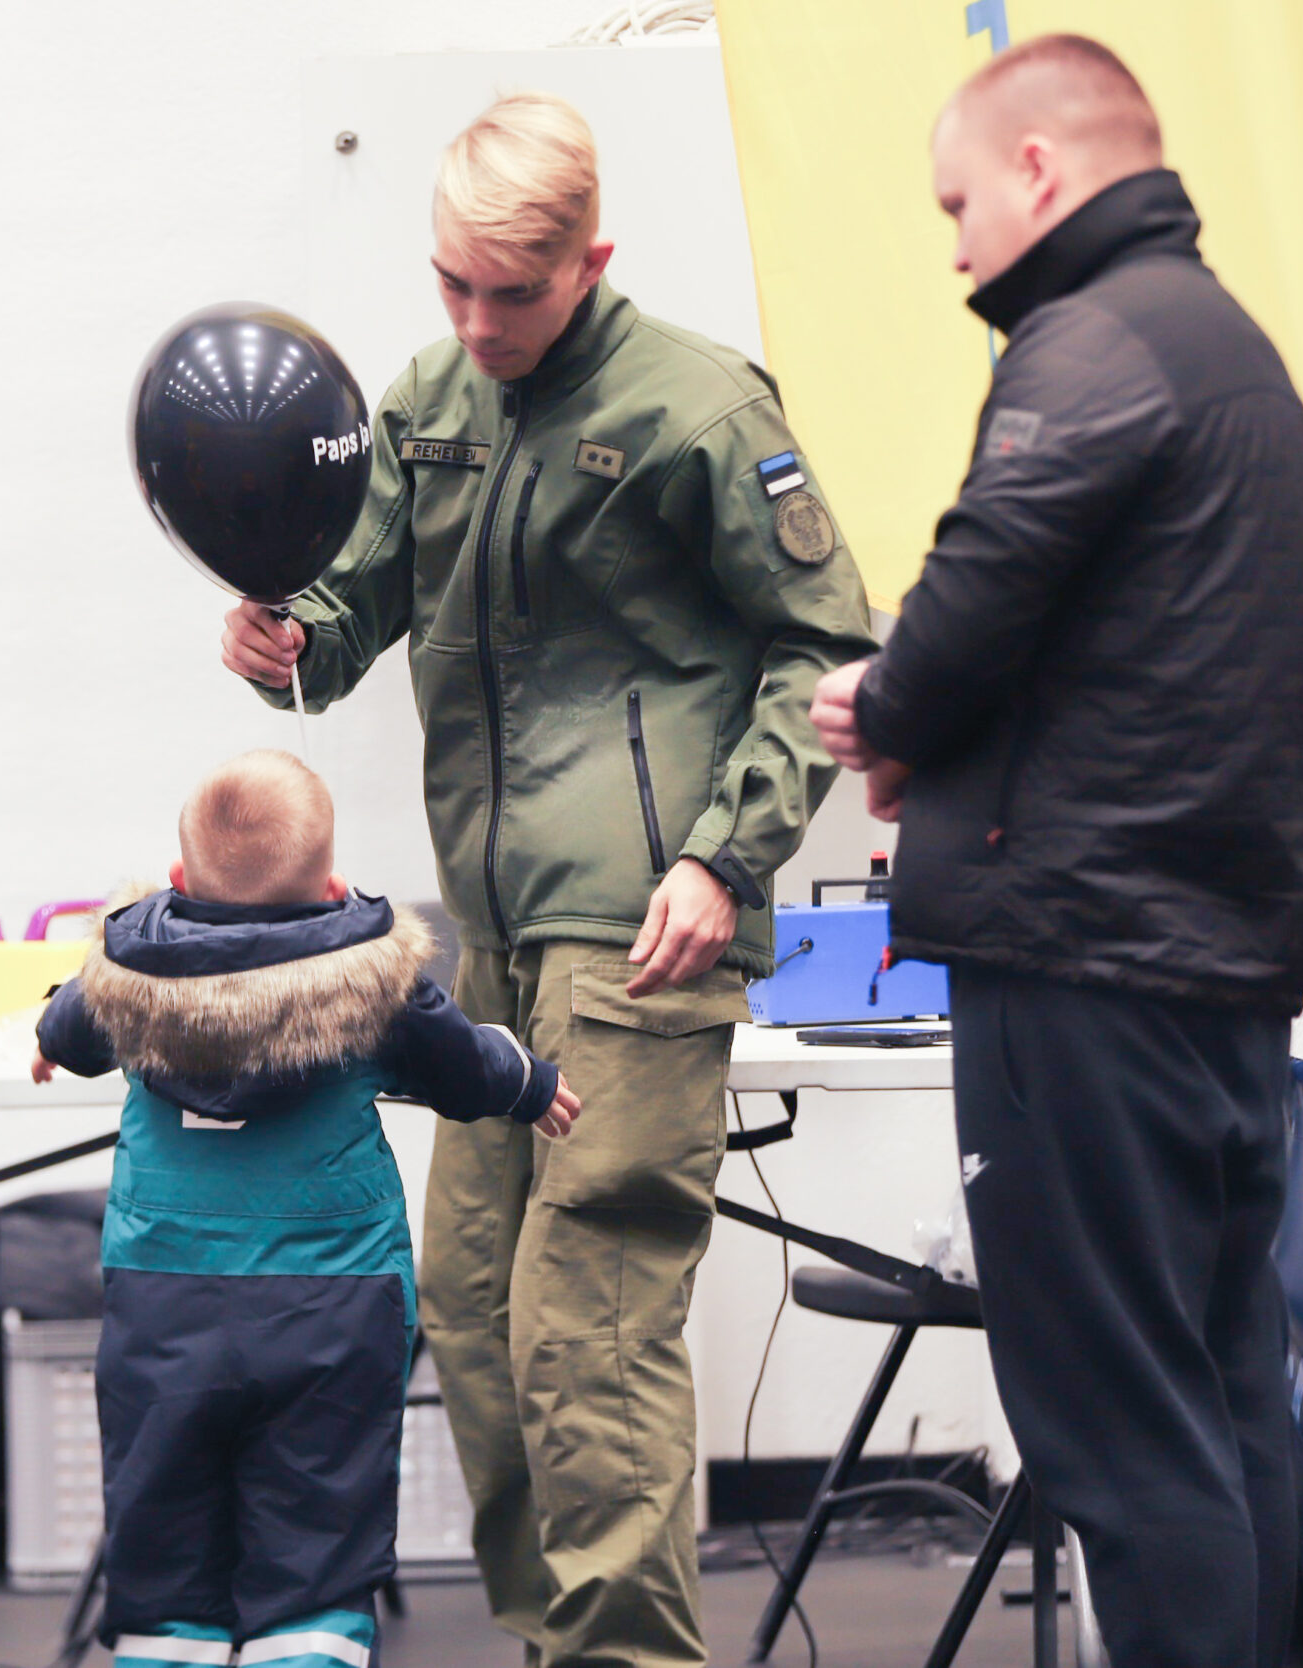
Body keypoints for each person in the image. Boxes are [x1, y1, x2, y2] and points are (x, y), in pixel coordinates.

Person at [220, 95, 874, 1666]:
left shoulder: (702, 411)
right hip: (488, 943)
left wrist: (728, 856)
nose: (477, 320)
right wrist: (283, 643)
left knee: (587, 1325)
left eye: (513, 292)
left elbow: (827, 644)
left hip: (645, 926)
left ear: (594, 260)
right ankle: (556, 1641)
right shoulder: (431, 397)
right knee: (474, 1317)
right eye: (452, 284)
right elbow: (347, 607)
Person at [808, 35, 1303, 1668]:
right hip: (1218, 972)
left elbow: (984, 585)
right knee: (1227, 1407)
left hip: (1084, 972)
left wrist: (884, 706)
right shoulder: (1233, 349)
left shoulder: (1090, 340)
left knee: (1122, 1436)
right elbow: (1147, 650)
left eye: (958, 201)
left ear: (1040, 171)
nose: (954, 244)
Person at [31, 751, 581, 1668]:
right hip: (333, 1304)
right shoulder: (373, 980)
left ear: (176, 880)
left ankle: (167, 1647)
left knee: (164, 1521)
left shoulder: (126, 974)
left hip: (166, 1297)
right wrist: (529, 1084)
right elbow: (464, 1069)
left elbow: (69, 1029)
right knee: (319, 1533)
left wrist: (53, 1033)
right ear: (333, 887)